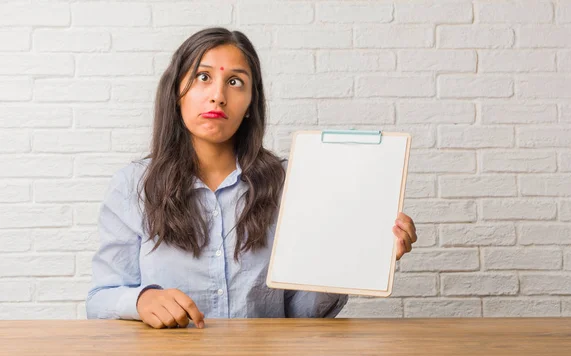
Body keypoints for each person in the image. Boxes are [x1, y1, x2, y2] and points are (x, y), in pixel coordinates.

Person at [86, 27, 418, 329]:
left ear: (249, 103)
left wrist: (359, 255)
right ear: (177, 92)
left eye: (235, 82)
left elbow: (301, 314)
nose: (218, 95)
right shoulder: (133, 186)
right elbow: (100, 300)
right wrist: (141, 300)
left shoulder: (292, 182)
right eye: (203, 77)